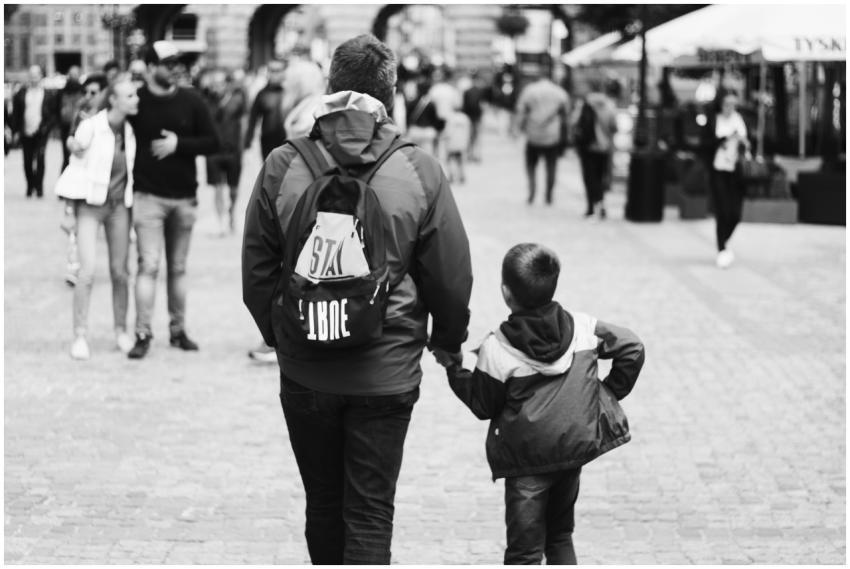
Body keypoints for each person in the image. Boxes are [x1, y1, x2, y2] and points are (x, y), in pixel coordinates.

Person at [242, 34, 472, 564]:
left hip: (306, 367)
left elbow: (257, 270)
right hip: (386, 369)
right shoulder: (417, 169)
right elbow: (451, 275)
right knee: (370, 510)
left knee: (323, 501)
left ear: (329, 87)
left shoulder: (283, 165)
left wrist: (281, 334)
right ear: (389, 94)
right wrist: (448, 340)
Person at [435, 243, 645, 565]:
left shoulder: (498, 348)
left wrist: (454, 368)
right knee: (560, 536)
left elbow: (482, 404)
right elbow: (632, 347)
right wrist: (603, 395)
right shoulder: (584, 328)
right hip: (570, 455)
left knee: (524, 552)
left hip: (527, 464)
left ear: (506, 292)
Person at [126, 40, 220, 359]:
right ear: (151, 68)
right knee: (148, 265)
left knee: (178, 267)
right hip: (147, 196)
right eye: (168, 64)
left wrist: (180, 144)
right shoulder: (136, 101)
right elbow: (110, 122)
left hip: (184, 198)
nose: (175, 68)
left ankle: (178, 330)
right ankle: (142, 332)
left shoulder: (192, 100)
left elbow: (213, 142)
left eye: (177, 62)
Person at [57, 79, 139, 360]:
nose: (136, 98)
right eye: (130, 95)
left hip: (119, 207)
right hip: (90, 206)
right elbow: (74, 169)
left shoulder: (130, 129)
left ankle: (120, 330)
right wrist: (68, 211)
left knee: (120, 272)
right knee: (87, 271)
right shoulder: (91, 127)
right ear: (114, 100)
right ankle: (80, 335)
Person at [60, 73, 110, 288]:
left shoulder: (109, 117)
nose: (89, 96)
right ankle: (74, 266)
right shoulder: (81, 114)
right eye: (86, 92)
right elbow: (70, 135)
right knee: (73, 226)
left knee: (90, 228)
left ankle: (86, 265)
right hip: (78, 177)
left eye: (94, 92)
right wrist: (72, 144)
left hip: (98, 180)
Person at [705, 91, 749, 269]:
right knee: (722, 210)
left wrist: (743, 142)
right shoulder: (713, 120)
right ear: (720, 104)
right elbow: (705, 144)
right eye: (727, 104)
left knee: (735, 214)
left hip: (735, 171)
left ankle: (724, 240)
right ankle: (721, 248)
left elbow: (747, 143)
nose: (730, 108)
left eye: (733, 104)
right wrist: (722, 140)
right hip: (718, 170)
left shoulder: (739, 120)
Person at [513, 73, 570, 205]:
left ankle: (532, 193)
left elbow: (521, 111)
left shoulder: (529, 91)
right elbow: (566, 114)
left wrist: (517, 128)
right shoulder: (559, 92)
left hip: (533, 134)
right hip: (552, 135)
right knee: (551, 166)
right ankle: (549, 195)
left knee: (531, 166)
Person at [204, 69, 247, 235]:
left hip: (233, 151)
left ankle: (231, 211)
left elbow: (243, 124)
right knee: (217, 187)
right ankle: (221, 221)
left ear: (226, 84)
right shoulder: (207, 102)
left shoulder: (237, 100)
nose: (216, 87)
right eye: (214, 84)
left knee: (233, 189)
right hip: (214, 151)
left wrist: (243, 148)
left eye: (220, 83)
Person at [10, 65, 57, 198]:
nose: (33, 78)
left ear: (41, 76)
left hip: (41, 132)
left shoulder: (48, 94)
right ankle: (30, 186)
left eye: (36, 75)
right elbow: (16, 114)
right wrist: (16, 131)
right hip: (26, 131)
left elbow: (53, 114)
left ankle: (39, 187)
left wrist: (46, 127)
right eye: (31, 75)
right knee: (27, 161)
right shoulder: (21, 93)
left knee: (41, 160)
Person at [573, 81, 618, 219]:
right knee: (600, 177)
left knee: (589, 178)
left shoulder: (583, 104)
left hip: (587, 147)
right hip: (604, 148)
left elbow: (574, 122)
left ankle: (591, 207)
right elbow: (614, 126)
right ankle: (601, 203)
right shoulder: (610, 105)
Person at [245, 59, 287, 160]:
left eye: (278, 70)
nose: (275, 74)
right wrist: (248, 140)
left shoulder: (289, 92)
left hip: (287, 141)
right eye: (272, 70)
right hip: (268, 142)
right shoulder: (262, 94)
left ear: (284, 72)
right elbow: (253, 119)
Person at [57, 65, 84, 171]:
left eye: (76, 75)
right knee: (66, 155)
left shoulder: (84, 91)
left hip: (80, 128)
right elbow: (56, 108)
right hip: (66, 127)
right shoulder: (62, 92)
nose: (73, 77)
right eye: (71, 75)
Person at [461, 69, 487, 162]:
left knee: (469, 137)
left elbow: (463, 106)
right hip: (477, 117)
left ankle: (470, 154)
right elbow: (483, 105)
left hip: (469, 117)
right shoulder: (480, 90)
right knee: (477, 137)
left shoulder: (466, 91)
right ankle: (477, 155)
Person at [444, 107, 471, 185]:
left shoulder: (450, 118)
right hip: (462, 143)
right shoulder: (465, 118)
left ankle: (451, 175)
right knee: (460, 160)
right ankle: (461, 175)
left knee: (449, 160)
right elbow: (468, 131)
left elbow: (448, 132)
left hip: (452, 143)